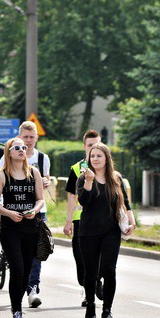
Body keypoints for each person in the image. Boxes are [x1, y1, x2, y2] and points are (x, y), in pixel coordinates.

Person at [76, 143, 135, 318]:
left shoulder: (116, 178)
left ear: (107, 158)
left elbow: (125, 202)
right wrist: (88, 181)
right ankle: (91, 304)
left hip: (111, 231)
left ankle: (107, 310)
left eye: (99, 156)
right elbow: (84, 202)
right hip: (88, 231)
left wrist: (132, 222)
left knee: (110, 270)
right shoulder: (83, 178)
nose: (95, 159)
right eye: (92, 156)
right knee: (90, 272)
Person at [0, 121, 51, 306]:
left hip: (33, 220)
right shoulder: (3, 171)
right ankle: (17, 308)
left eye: (30, 138)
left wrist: (35, 210)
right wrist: (8, 213)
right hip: (10, 223)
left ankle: (32, 288)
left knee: (30, 263)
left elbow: (41, 196)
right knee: (18, 268)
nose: (24, 146)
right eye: (19, 144)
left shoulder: (38, 166)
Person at [64, 129, 101, 307]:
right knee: (80, 258)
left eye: (97, 145)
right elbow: (71, 196)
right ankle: (89, 285)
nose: (93, 149)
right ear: (84, 147)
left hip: (101, 221)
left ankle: (93, 288)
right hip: (80, 221)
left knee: (100, 257)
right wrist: (68, 221)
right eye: (90, 146)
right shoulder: (77, 168)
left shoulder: (105, 167)